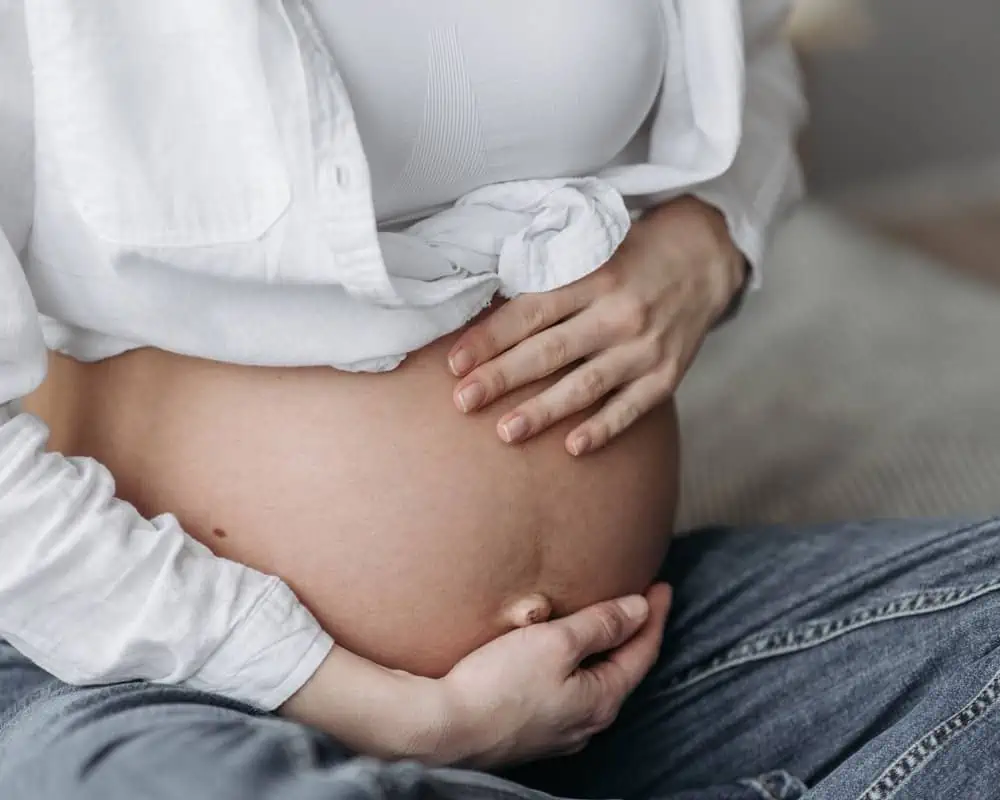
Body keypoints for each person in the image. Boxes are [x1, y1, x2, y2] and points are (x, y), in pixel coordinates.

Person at [3, 1, 996, 799]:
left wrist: (711, 231)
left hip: (614, 672)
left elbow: (750, 51)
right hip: (167, 688)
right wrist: (407, 718)